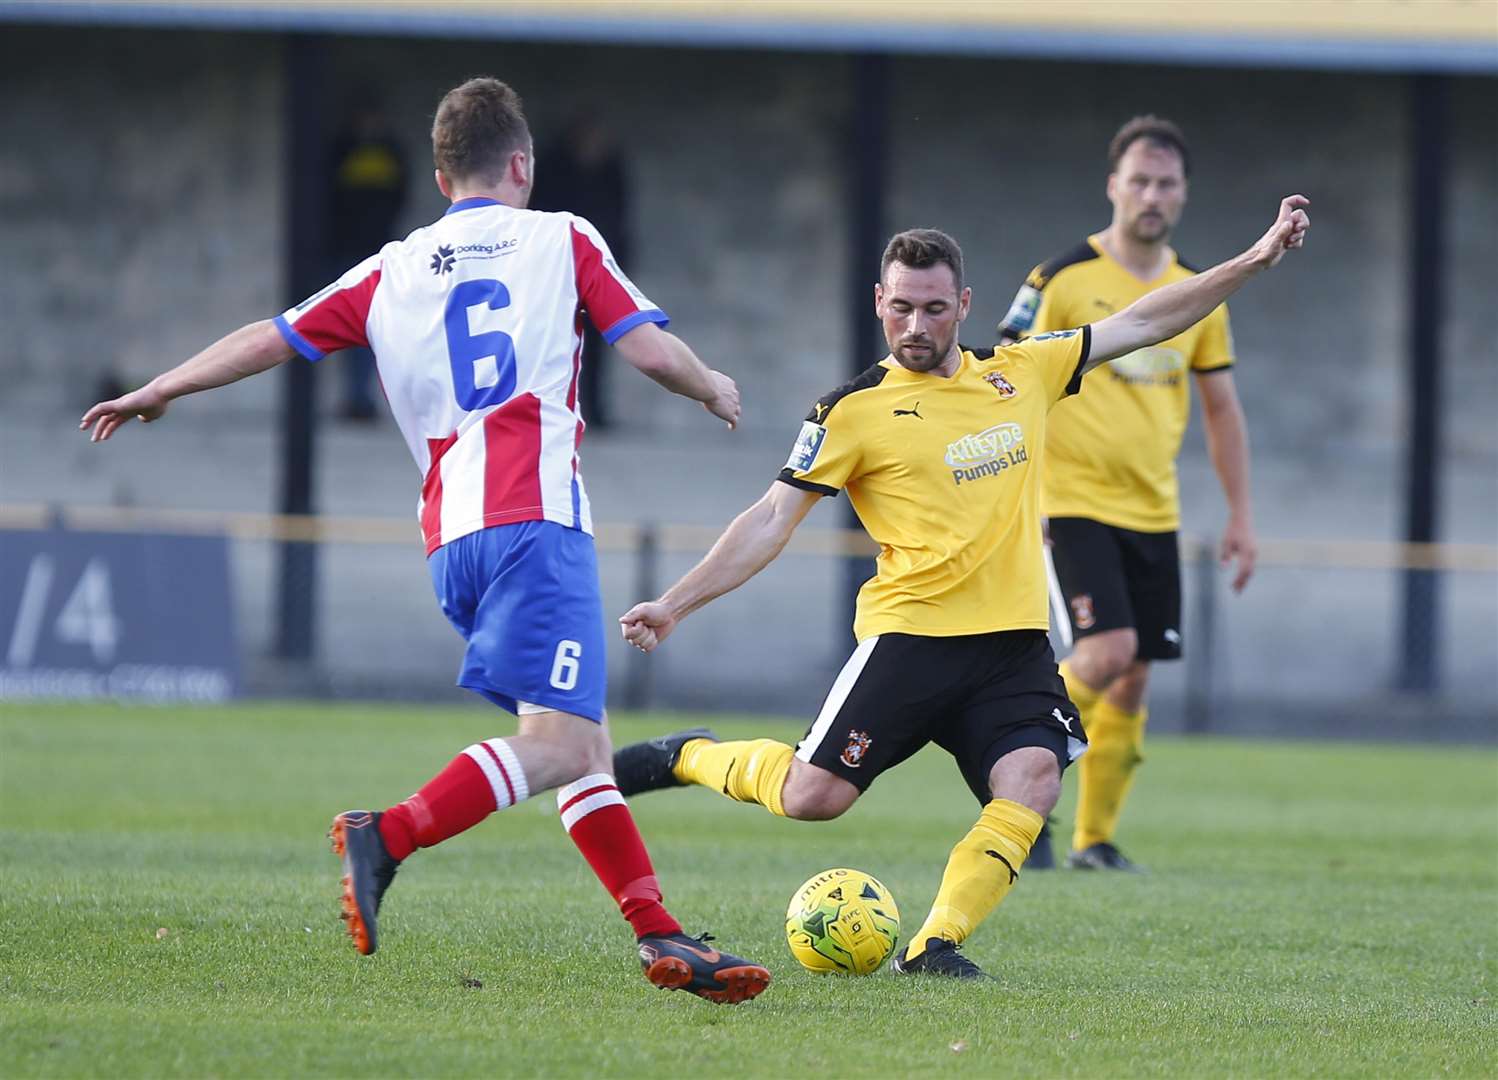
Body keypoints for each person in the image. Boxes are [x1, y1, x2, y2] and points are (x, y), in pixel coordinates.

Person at [78, 77, 769, 1006]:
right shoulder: (563, 236)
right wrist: (712, 385)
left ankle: (658, 933)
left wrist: (161, 386)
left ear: (442, 177)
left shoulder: (391, 267)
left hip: (452, 540)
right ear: (522, 163)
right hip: (534, 522)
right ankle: (389, 833)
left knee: (579, 745)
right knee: (562, 747)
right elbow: (645, 350)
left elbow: (267, 338)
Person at [613, 196, 1308, 979]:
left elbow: (1147, 321)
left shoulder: (1026, 370)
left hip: (1011, 647)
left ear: (964, 306)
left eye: (934, 308)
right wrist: (674, 603)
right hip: (910, 640)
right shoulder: (849, 411)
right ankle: (690, 755)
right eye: (901, 307)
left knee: (1033, 777)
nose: (915, 325)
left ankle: (934, 945)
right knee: (814, 799)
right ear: (879, 303)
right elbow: (772, 519)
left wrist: (1251, 262)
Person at [997, 116, 1255, 872]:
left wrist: (1241, 513)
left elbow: (1222, 409)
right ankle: (1018, 785)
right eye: (1138, 180)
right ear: (1113, 186)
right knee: (1104, 652)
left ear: (1183, 194)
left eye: (1166, 183)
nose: (1151, 194)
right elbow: (1002, 375)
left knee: (1135, 671)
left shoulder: (1198, 294)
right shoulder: (1062, 278)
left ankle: (1093, 839)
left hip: (1155, 511)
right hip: (1069, 501)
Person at [531, 115, 631, 431]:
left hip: (598, 268)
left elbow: (620, 218)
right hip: (560, 268)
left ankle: (595, 411)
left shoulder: (610, 170)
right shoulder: (556, 171)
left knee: (600, 345)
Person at [326, 94, 408, 421]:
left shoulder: (391, 152)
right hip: (345, 249)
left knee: (373, 332)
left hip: (376, 250)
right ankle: (354, 398)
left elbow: (399, 194)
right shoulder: (342, 150)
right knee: (345, 328)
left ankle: (364, 400)